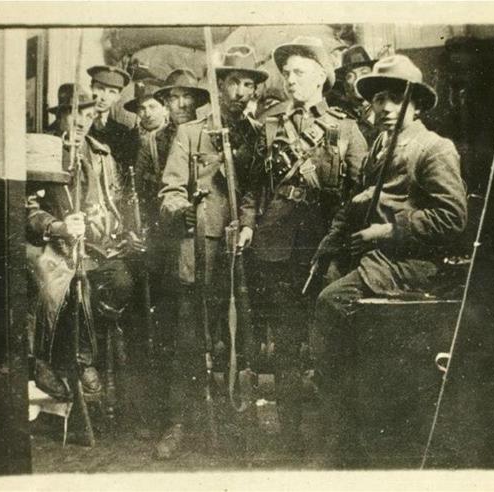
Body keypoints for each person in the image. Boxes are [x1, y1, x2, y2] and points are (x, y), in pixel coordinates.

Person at [309, 54, 468, 466]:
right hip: (375, 257)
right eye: (378, 99)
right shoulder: (382, 145)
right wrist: (332, 242)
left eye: (395, 99)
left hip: (409, 262)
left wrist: (390, 230)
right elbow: (365, 199)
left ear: (415, 104)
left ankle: (350, 426)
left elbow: (453, 217)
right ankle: (350, 424)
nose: (384, 108)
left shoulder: (434, 148)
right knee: (318, 292)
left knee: (331, 304)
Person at [250, 37, 368, 455]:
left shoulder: (347, 127)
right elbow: (254, 188)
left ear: (321, 76)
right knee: (284, 344)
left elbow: (360, 193)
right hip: (278, 245)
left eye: (299, 72)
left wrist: (342, 244)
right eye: (287, 73)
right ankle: (287, 437)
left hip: (325, 246)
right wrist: (250, 225)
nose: (290, 79)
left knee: (330, 345)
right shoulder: (269, 124)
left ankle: (336, 436)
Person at [155, 48, 267, 459]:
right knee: (190, 338)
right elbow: (169, 188)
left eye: (249, 83)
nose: (241, 91)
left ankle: (232, 418)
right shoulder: (191, 133)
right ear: (220, 86)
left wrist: (250, 223)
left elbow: (254, 190)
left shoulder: (255, 133)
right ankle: (179, 424)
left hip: (236, 250)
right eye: (234, 82)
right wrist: (181, 209)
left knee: (231, 338)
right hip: (198, 246)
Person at [26, 83, 144, 401]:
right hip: (58, 245)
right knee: (65, 286)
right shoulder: (43, 151)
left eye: (89, 115)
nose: (82, 122)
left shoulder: (102, 154)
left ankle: (82, 348)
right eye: (75, 115)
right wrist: (58, 225)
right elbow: (29, 208)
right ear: (62, 116)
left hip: (100, 246)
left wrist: (124, 229)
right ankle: (68, 359)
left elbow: (116, 201)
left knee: (123, 282)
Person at [87, 65, 139, 172]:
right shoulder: (75, 123)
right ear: (90, 88)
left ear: (117, 97)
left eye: (112, 92)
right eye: (100, 89)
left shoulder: (124, 133)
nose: (104, 97)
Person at [328, 45, 378, 145]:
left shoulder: (386, 110)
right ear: (345, 83)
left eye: (364, 73)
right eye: (350, 76)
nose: (357, 80)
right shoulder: (341, 115)